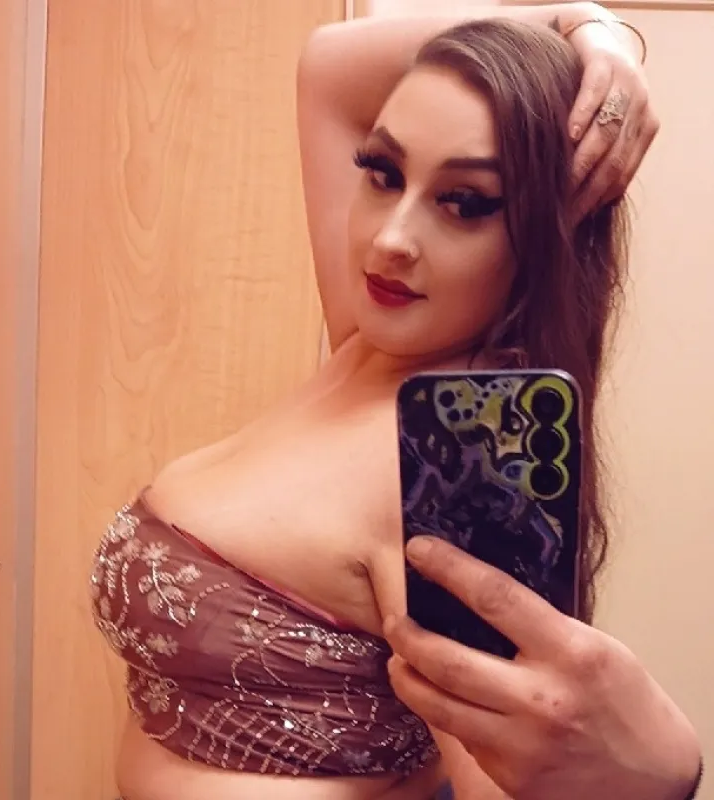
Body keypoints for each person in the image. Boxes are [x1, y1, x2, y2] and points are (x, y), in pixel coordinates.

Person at [89, 2, 702, 799]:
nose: (389, 239)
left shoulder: (463, 465)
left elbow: (503, 782)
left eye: (464, 202)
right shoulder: (369, 341)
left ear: (550, 231)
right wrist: (586, 28)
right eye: (383, 174)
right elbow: (331, 63)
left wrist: (654, 777)